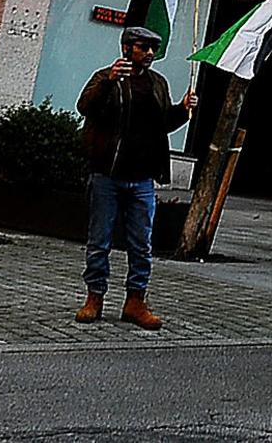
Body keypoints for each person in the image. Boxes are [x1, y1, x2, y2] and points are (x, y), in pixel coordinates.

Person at [74, 25, 195, 330]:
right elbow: (85, 107)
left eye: (153, 48)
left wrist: (182, 110)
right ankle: (94, 297)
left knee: (141, 243)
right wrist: (109, 82)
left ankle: (135, 301)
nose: (151, 53)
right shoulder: (106, 77)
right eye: (144, 47)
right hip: (108, 173)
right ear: (127, 48)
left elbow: (162, 123)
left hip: (142, 176)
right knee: (99, 240)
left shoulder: (157, 83)